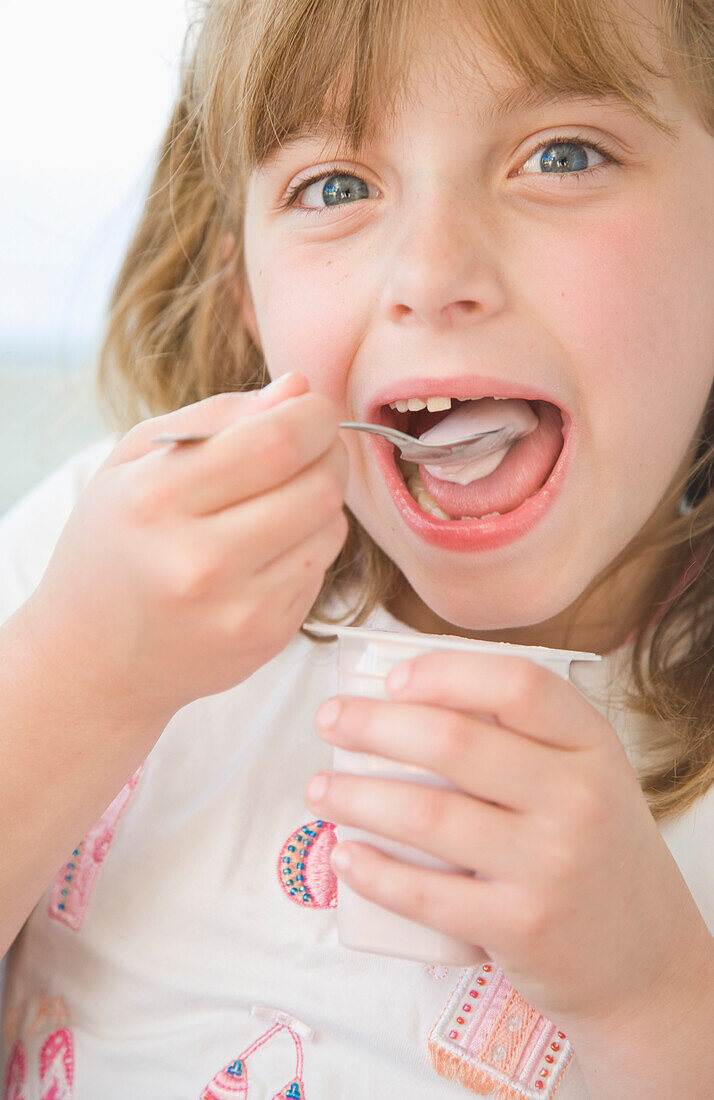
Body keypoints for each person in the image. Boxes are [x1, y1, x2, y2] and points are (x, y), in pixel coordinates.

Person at [1, 0, 713, 1095]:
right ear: (245, 288)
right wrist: (76, 684)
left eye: (562, 155)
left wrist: (657, 998)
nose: (431, 272)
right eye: (335, 188)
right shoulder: (103, 556)